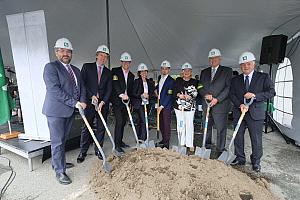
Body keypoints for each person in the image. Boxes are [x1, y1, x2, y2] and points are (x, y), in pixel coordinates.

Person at [42, 38, 87, 185]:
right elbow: (55, 90)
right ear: (56, 52)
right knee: (57, 142)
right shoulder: (50, 68)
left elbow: (82, 88)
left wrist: (83, 100)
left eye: (68, 51)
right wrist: (74, 103)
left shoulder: (76, 70)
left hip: (69, 111)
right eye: (62, 50)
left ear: (71, 53)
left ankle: (58, 163)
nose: (65, 53)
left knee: (63, 140)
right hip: (55, 112)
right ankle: (59, 171)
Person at [230, 52, 275, 172]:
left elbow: (271, 92)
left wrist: (255, 96)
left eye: (248, 63)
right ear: (240, 66)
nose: (246, 66)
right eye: (243, 64)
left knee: (256, 139)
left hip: (255, 114)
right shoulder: (235, 80)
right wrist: (239, 104)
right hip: (239, 112)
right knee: (238, 137)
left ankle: (256, 161)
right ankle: (240, 158)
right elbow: (232, 94)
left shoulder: (263, 77)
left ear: (254, 64)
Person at [77, 45, 112, 163]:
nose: (103, 58)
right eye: (101, 55)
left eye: (105, 56)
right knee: (87, 127)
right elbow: (82, 83)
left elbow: (109, 89)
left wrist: (103, 101)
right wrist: (91, 95)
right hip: (89, 102)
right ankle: (83, 151)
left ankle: (98, 150)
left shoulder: (108, 72)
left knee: (101, 127)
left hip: (102, 104)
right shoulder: (87, 67)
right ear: (97, 55)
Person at [199, 48, 232, 156]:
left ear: (220, 59)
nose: (213, 60)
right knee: (206, 127)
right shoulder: (204, 72)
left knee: (220, 128)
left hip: (220, 105)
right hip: (206, 104)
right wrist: (205, 94)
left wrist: (217, 99)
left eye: (215, 58)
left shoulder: (227, 71)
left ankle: (220, 149)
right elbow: (199, 86)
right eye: (211, 59)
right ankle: (206, 145)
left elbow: (228, 88)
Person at [111, 52, 135, 153]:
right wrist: (121, 94)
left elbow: (130, 91)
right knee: (119, 122)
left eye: (128, 62)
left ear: (130, 63)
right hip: (117, 101)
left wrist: (130, 103)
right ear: (121, 62)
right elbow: (115, 84)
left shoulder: (131, 75)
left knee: (124, 122)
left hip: (126, 102)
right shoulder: (115, 71)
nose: (126, 64)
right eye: (124, 62)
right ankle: (116, 145)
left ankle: (120, 142)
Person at [173, 63, 198, 152]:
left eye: (188, 70)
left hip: (190, 108)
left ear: (191, 72)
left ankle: (190, 144)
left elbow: (196, 93)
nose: (186, 72)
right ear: (182, 71)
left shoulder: (195, 81)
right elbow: (174, 91)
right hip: (179, 107)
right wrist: (179, 95)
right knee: (180, 124)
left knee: (189, 125)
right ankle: (181, 142)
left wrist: (190, 96)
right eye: (184, 70)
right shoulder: (178, 80)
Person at [132, 63, 155, 140]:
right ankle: (143, 138)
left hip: (147, 104)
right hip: (140, 104)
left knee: (141, 121)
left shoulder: (150, 82)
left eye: (145, 71)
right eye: (142, 72)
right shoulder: (137, 81)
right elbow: (133, 93)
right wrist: (141, 95)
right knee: (144, 120)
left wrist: (149, 95)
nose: (144, 73)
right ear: (139, 73)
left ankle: (139, 137)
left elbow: (152, 93)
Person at [155, 60, 175, 149]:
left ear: (169, 70)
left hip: (166, 106)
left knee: (166, 125)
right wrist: (155, 90)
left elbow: (169, 95)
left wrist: (162, 106)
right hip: (159, 104)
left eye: (166, 69)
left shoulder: (171, 81)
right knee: (161, 124)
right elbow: (159, 87)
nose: (164, 70)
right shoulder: (160, 78)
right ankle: (163, 139)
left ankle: (166, 144)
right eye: (162, 69)